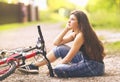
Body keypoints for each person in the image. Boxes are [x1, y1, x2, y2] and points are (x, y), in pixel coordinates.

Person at [18, 10, 106, 77]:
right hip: (84, 60)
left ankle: (72, 67)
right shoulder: (75, 33)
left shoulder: (81, 35)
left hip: (93, 66)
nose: (69, 21)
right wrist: (66, 29)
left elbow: (68, 58)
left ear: (80, 22)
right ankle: (34, 66)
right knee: (60, 49)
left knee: (58, 69)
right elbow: (56, 43)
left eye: (72, 19)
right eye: (69, 19)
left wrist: (52, 70)